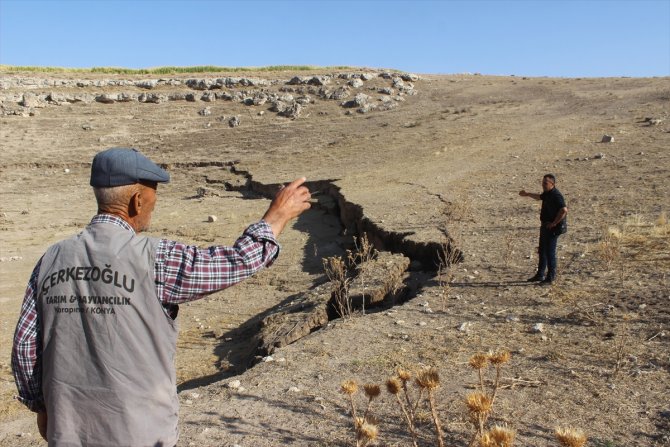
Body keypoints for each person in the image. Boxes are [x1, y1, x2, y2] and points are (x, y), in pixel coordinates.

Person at [11, 147, 311, 446]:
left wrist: (41, 406)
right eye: (153, 194)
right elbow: (235, 261)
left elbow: (26, 347)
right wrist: (276, 217)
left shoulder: (51, 258)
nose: (154, 204)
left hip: (69, 432)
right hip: (140, 433)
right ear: (137, 200)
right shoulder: (156, 259)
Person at [519, 173, 568, 285]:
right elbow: (539, 197)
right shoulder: (547, 193)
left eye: (545, 183)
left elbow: (564, 210)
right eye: (542, 183)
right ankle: (540, 274)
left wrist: (554, 223)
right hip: (546, 226)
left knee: (550, 252)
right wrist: (527, 194)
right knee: (542, 250)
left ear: (552, 184)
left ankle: (550, 278)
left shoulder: (556, 195)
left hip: (554, 228)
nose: (543, 185)